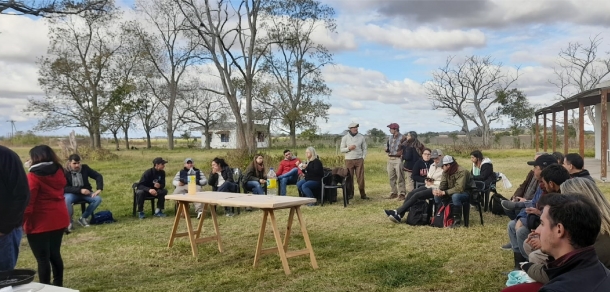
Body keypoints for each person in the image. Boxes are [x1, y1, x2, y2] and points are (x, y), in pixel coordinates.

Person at [502, 194, 610, 292]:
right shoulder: (602, 272)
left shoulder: (555, 289)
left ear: (559, 230)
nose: (538, 231)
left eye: (542, 223)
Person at [522, 178, 610, 284]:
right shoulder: (600, 223)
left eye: (564, 198)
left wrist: (527, 266)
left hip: (582, 280)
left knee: (534, 255)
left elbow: (565, 271)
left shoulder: (594, 236)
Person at [23, 145, 69, 286]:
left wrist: (20, 221)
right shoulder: (60, 171)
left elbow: (28, 203)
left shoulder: (33, 176)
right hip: (59, 218)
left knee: (43, 258)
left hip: (40, 222)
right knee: (55, 254)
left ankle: (45, 287)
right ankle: (58, 285)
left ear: (35, 158)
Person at [506, 154, 557, 269]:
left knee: (521, 232)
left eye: (535, 167)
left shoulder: (552, 187)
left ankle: (529, 264)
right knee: (512, 225)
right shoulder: (542, 185)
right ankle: (518, 265)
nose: (533, 170)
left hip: (542, 222)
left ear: (544, 170)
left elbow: (549, 215)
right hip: (534, 219)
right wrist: (521, 218)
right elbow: (532, 204)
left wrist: (529, 218)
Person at [384, 149, 443, 223]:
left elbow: (444, 182)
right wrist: (426, 180)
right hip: (428, 185)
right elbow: (428, 176)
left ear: (441, 156)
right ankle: (399, 214)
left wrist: (433, 182)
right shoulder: (432, 165)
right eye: (434, 158)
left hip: (436, 188)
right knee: (412, 193)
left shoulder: (444, 167)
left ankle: (397, 212)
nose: (435, 160)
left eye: (437, 158)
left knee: (417, 195)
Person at [0, 145, 30, 271]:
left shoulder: (6, 156)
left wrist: (4, 228)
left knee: (3, 277)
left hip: (4, 232)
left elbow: (22, 195)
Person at [433, 155, 476, 227]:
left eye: (442, 166)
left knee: (455, 196)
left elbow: (459, 188)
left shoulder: (462, 171)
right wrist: (439, 191)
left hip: (466, 193)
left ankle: (456, 221)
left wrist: (444, 192)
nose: (441, 168)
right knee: (436, 196)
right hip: (451, 191)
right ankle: (439, 217)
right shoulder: (445, 172)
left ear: (448, 165)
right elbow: (443, 185)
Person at [63, 154, 103, 231]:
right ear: (69, 163)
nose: (77, 165)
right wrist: (80, 190)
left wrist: (99, 188)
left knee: (97, 199)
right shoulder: (65, 172)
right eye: (74, 163)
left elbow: (98, 176)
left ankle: (83, 218)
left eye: (78, 163)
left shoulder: (85, 168)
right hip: (71, 193)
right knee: (66, 199)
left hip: (86, 193)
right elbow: (64, 188)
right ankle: (69, 222)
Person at [340, 122, 368, 200]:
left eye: (356, 127)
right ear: (350, 129)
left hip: (359, 159)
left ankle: (363, 194)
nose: (356, 129)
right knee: (349, 177)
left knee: (360, 177)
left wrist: (363, 157)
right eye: (354, 128)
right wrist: (349, 148)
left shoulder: (361, 137)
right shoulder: (345, 138)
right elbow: (341, 149)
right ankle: (350, 194)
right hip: (349, 160)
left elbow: (364, 148)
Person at [385, 123, 406, 199]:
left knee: (400, 176)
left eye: (391, 128)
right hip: (390, 158)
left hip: (398, 159)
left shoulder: (403, 137)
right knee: (391, 177)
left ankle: (402, 193)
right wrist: (387, 149)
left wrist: (402, 155)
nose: (389, 130)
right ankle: (394, 192)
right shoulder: (390, 137)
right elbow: (388, 147)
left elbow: (405, 148)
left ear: (395, 129)